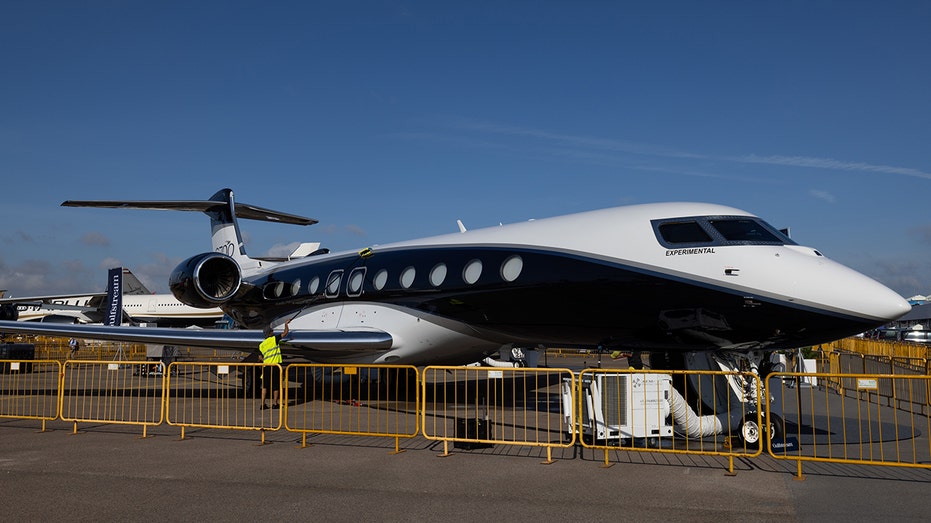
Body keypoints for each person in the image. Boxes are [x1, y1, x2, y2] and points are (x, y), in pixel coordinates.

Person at [258, 320, 289, 410]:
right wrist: (286, 324)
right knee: (276, 386)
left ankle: (262, 404)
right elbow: (285, 333)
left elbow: (260, 357)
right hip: (275, 366)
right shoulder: (274, 339)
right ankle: (275, 403)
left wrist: (266, 360)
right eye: (272, 331)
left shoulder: (261, 344)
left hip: (266, 367)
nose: (273, 332)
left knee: (264, 386)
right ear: (270, 333)